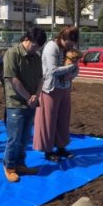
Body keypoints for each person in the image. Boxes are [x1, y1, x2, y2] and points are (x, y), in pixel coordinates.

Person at [2, 28, 47, 182]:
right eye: (34, 45)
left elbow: (41, 77)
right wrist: (29, 97)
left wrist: (37, 96)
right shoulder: (13, 53)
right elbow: (12, 79)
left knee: (25, 136)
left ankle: (20, 164)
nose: (35, 49)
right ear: (27, 39)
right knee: (14, 138)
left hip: (31, 103)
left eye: (38, 47)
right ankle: (9, 167)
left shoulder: (36, 57)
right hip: (16, 103)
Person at [33, 26, 79, 162]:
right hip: (50, 89)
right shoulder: (51, 47)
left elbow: (77, 69)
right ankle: (48, 150)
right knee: (49, 120)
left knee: (63, 119)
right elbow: (53, 70)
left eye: (73, 42)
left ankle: (61, 147)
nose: (71, 44)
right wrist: (71, 68)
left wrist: (72, 75)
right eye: (69, 41)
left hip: (65, 88)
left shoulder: (69, 50)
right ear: (62, 37)